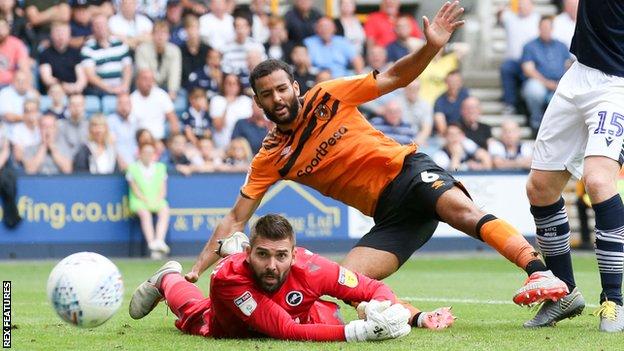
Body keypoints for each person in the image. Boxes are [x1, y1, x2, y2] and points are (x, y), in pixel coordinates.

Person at [184, 2, 568, 328]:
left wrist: (430, 47)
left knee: (463, 213)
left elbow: (396, 76)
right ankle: (421, 320)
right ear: (258, 102)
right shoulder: (271, 157)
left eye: (282, 88)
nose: (277, 98)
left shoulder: (329, 95)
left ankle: (539, 271)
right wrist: (198, 268)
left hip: (408, 172)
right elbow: (235, 219)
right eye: (267, 94)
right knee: (348, 281)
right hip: (389, 214)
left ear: (295, 87)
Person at [129, 214, 455, 340]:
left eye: (281, 255)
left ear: (294, 254)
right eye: (263, 255)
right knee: (193, 311)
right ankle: (167, 277)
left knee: (329, 310)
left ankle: (241, 243)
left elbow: (373, 287)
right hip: (230, 324)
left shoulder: (314, 268)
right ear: (249, 256)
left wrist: (382, 308)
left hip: (301, 312)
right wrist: (359, 333)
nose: (272, 265)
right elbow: (283, 330)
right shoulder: (229, 280)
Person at [523, 0, 624, 332]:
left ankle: (615, 301)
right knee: (540, 188)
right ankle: (563, 293)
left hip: (617, 84)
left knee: (598, 180)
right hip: (578, 75)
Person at [521, 16, 571, 132]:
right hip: (540, 82)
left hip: (559, 82)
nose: (546, 30)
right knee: (533, 89)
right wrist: (547, 83)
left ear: (552, 29)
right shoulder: (530, 46)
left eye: (548, 27)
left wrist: (562, 82)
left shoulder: (561, 46)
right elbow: (528, 69)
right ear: (539, 28)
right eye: (543, 27)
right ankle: (536, 120)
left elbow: (568, 66)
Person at [126, 141, 170, 259]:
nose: (148, 155)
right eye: (145, 152)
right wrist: (145, 200)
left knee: (164, 210)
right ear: (139, 153)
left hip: (157, 200)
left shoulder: (160, 167)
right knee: (145, 214)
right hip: (138, 201)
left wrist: (157, 200)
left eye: (151, 152)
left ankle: (159, 241)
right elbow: (135, 189)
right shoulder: (132, 167)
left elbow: (163, 189)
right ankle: (152, 244)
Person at [497, 0, 540, 114]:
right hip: (514, 61)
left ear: (532, 6)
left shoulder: (537, 19)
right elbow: (500, 15)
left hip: (533, 62)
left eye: (525, 4)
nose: (522, 7)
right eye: (520, 4)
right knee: (506, 68)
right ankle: (509, 103)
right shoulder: (510, 17)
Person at [81, 14, 133, 96]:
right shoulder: (88, 48)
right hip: (100, 91)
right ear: (92, 28)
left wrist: (125, 86)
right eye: (97, 25)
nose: (100, 28)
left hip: (122, 89)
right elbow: (90, 75)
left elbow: (128, 68)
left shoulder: (120, 43)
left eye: (103, 25)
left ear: (108, 26)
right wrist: (109, 89)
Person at [135, 21, 182, 100]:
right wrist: (157, 95)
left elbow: (175, 74)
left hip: (166, 86)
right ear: (152, 35)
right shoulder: (142, 50)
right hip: (147, 87)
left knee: (181, 96)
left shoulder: (175, 51)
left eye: (164, 33)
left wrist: (172, 91)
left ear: (168, 36)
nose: (160, 36)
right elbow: (145, 74)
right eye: (157, 33)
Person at [131, 69, 180, 141]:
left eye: (151, 79)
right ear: (137, 81)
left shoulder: (161, 95)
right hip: (139, 141)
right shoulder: (131, 99)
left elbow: (173, 120)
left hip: (160, 139)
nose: (149, 82)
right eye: (145, 79)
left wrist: (173, 141)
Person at [39, 21, 86, 95]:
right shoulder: (45, 54)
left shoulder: (75, 53)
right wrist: (63, 86)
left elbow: (82, 78)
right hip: (55, 91)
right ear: (51, 35)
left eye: (63, 33)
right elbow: (47, 79)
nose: (60, 37)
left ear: (69, 35)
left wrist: (77, 87)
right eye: (57, 33)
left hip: (74, 91)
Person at [209, 73, 252, 149]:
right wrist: (227, 105)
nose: (231, 86)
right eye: (228, 83)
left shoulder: (246, 101)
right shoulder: (217, 100)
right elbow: (218, 127)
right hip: (222, 146)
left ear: (239, 86)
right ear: (223, 85)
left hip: (244, 147)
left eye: (234, 83)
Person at [433, 70, 469, 135]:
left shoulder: (465, 95)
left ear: (461, 83)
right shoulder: (439, 101)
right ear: (446, 83)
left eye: (456, 81)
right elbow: (442, 128)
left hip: (465, 133)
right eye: (451, 81)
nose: (453, 84)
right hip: (448, 134)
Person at [107, 93, 137, 171]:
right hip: (117, 164)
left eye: (127, 103)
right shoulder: (110, 121)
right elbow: (110, 144)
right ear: (116, 105)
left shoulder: (136, 121)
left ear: (131, 105)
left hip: (136, 164)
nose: (124, 107)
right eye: (121, 103)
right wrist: (119, 160)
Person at [180, 14, 210, 90]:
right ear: (185, 30)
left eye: (195, 28)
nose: (193, 31)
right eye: (190, 28)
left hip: (204, 86)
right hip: (185, 87)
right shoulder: (180, 50)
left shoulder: (207, 49)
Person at [398, 80, 432, 147]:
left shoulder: (425, 105)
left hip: (417, 140)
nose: (413, 91)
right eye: (410, 89)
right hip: (399, 138)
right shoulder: (397, 104)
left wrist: (418, 141)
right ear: (405, 89)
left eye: (416, 89)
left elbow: (427, 128)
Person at [0, 17, 30, 87]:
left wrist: (27, 85)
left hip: (10, 85)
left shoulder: (17, 44)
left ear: (8, 29)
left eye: (2, 27)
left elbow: (24, 68)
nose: (0, 30)